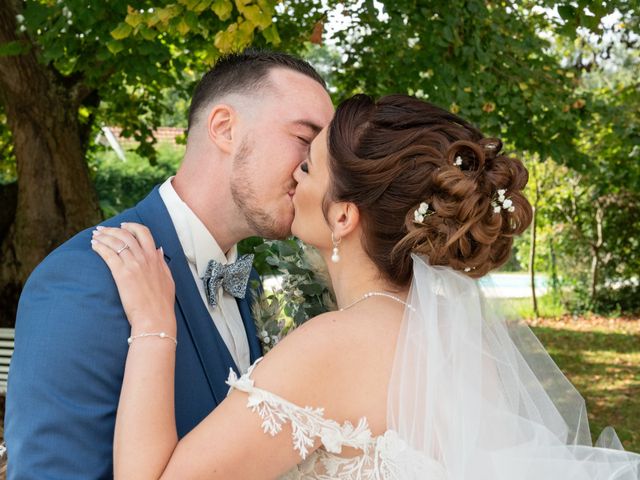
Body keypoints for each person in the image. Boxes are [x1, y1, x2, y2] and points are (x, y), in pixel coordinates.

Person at [92, 94, 640, 479]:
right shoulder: (463, 349)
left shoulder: (337, 344)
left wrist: (154, 325)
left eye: (308, 167)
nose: (293, 179)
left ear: (345, 218)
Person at [4, 50, 334, 479]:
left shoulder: (246, 278)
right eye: (304, 139)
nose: (314, 169)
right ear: (224, 128)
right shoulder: (87, 276)